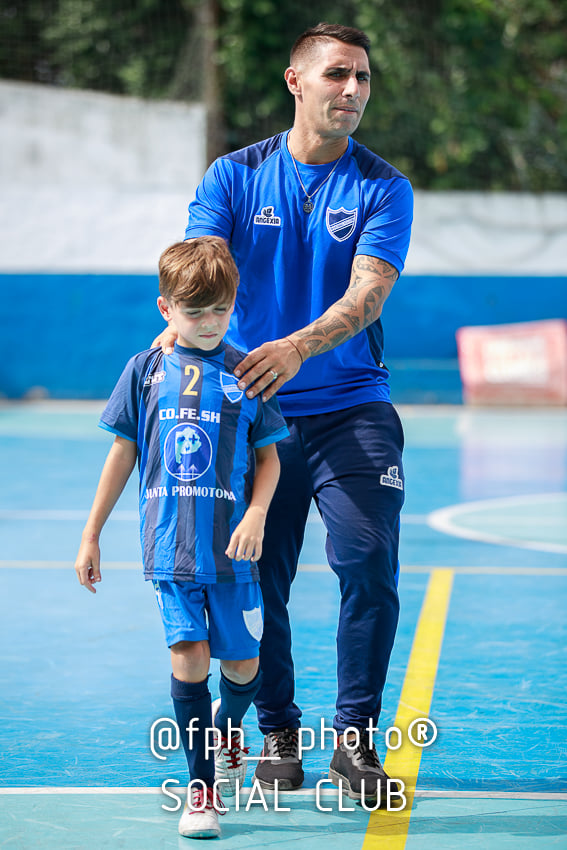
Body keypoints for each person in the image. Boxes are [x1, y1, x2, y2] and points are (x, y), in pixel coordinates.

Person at [158, 22, 413, 804]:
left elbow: (367, 294)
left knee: (366, 561)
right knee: (255, 581)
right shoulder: (234, 178)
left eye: (363, 78)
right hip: (251, 414)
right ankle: (275, 731)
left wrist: (299, 346)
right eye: (338, 74)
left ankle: (355, 741)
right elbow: (201, 278)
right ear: (295, 80)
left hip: (349, 405)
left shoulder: (381, 186)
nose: (353, 90)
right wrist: (167, 357)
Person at [75, 237, 289, 838]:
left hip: (234, 553)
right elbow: (123, 453)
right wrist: (91, 534)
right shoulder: (143, 372)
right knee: (189, 658)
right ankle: (201, 788)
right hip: (170, 549)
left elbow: (270, 460)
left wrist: (257, 515)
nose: (208, 323)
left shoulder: (246, 373)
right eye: (194, 312)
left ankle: (228, 726)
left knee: (245, 669)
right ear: (165, 309)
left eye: (220, 310)